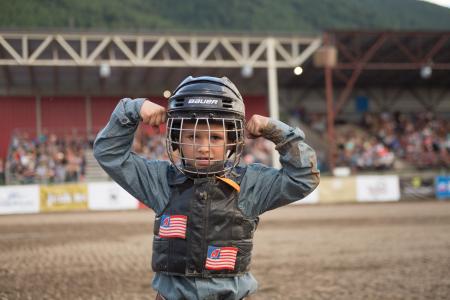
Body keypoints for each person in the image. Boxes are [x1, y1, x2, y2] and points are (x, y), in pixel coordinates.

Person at [94, 76, 320, 300]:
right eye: (192, 136)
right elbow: (109, 154)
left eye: (215, 137)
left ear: (232, 141)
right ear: (175, 139)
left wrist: (276, 130)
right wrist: (132, 109)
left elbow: (303, 177)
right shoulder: (160, 180)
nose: (203, 147)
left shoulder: (250, 184)